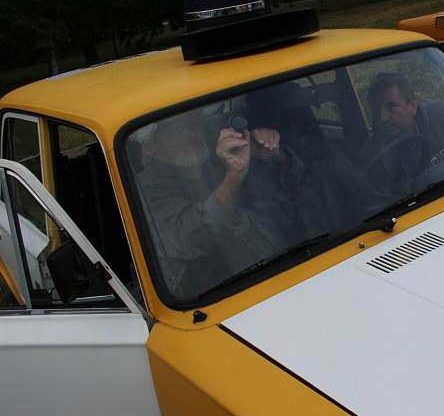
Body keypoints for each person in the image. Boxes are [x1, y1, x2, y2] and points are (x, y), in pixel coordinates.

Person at [135, 109, 285, 299]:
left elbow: (292, 196)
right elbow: (198, 235)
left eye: (194, 119)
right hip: (207, 299)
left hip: (280, 271)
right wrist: (234, 177)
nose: (192, 129)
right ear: (149, 145)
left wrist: (273, 154)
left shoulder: (220, 157)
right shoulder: (145, 188)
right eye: (177, 125)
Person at [242, 83, 367, 243]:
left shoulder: (331, 158)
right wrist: (275, 154)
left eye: (301, 110)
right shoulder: (254, 170)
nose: (299, 119)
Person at [357, 72, 444, 196]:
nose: (383, 118)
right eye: (376, 110)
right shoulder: (373, 157)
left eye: (391, 107)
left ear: (413, 106)